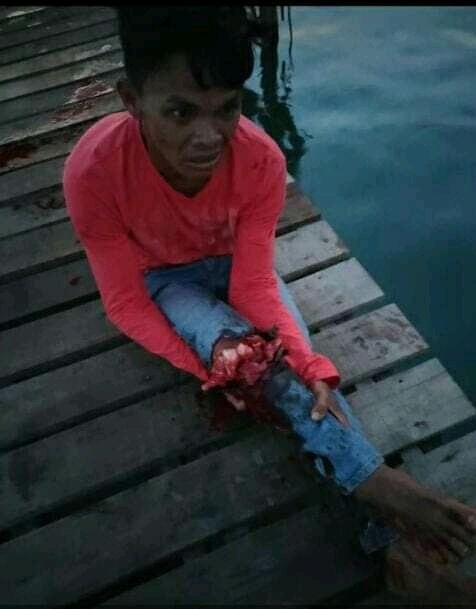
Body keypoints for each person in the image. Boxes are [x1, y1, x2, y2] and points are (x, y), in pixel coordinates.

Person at [63, 6, 476, 602]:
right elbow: (127, 303)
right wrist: (214, 365)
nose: (209, 137)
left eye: (227, 108)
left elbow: (254, 284)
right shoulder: (94, 172)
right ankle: (381, 495)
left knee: (288, 372)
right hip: (166, 283)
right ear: (131, 99)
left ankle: (388, 539)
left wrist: (308, 364)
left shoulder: (260, 161)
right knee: (250, 359)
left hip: (233, 267)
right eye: (180, 112)